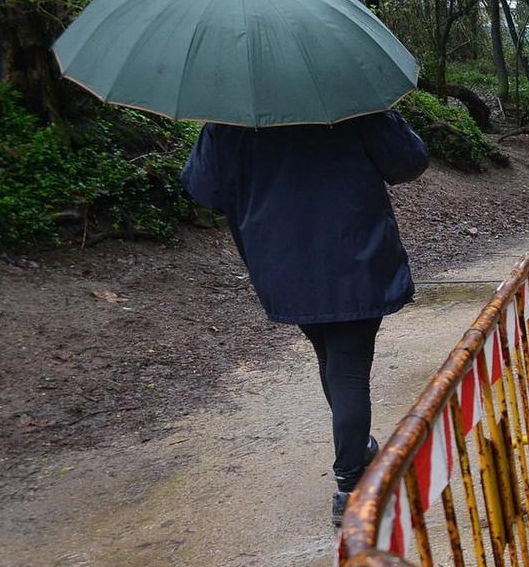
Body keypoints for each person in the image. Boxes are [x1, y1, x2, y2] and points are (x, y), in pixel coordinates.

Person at [181, 109, 430, 524]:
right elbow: (409, 161)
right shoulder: (351, 104)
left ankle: (359, 448)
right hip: (355, 253)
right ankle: (350, 484)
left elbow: (202, 187)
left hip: (282, 261)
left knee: (332, 359)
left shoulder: (230, 115)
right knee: (347, 369)